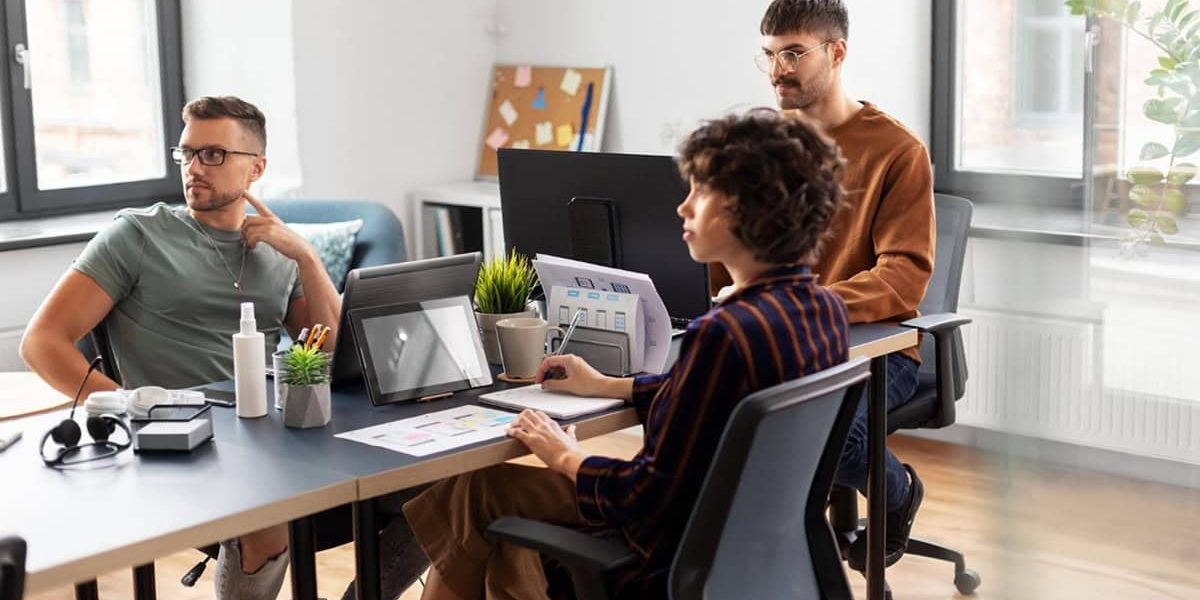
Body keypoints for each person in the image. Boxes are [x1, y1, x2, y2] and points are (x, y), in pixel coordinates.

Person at [402, 109, 849, 599]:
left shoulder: (722, 334)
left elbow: (645, 495)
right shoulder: (822, 310)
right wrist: (606, 385)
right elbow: (715, 398)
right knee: (503, 532)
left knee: (480, 493)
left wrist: (567, 456)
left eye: (700, 191)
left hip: (661, 560)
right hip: (744, 549)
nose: (683, 207)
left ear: (748, 210)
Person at [19, 96, 427, 600]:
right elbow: (41, 342)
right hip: (183, 438)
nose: (194, 168)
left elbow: (336, 355)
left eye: (213, 155)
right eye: (186, 153)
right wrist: (125, 403)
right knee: (268, 518)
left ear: (256, 168)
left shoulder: (280, 252)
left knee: (442, 484)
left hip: (276, 434)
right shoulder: (138, 235)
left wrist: (305, 258)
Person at [743, 0, 938, 570]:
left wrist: (806, 306)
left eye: (795, 53)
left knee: (827, 437)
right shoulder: (761, 147)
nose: (780, 68)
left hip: (875, 348)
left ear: (837, 52)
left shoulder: (897, 151)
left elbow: (902, 277)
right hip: (779, 339)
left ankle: (899, 491)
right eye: (771, 55)